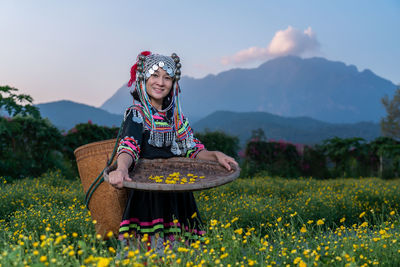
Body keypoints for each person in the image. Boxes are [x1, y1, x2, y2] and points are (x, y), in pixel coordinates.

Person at [108, 51, 238, 253]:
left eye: (167, 77)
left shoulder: (176, 118)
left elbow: (192, 149)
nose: (160, 82)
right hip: (147, 197)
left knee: (183, 255)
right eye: (155, 75)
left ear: (173, 83)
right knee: (148, 254)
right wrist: (122, 168)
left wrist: (216, 155)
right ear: (143, 78)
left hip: (179, 195)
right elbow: (128, 148)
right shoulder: (137, 114)